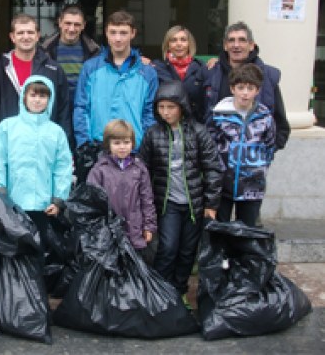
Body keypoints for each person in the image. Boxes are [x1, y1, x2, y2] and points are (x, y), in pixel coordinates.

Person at [141, 80, 222, 307]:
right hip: (167, 203)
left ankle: (180, 291)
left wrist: (211, 204)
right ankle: (159, 291)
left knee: (188, 252)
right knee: (167, 248)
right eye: (161, 107)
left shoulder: (198, 132)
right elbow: (142, 169)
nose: (165, 112)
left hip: (194, 204)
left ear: (182, 106)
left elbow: (213, 168)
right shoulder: (153, 134)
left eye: (171, 107)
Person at [0, 75, 72, 244]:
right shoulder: (7, 127)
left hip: (44, 204)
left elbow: (62, 168)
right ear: (24, 97)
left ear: (50, 99)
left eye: (43, 96)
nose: (37, 100)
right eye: (33, 95)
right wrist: (0, 193)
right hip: (13, 201)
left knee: (39, 247)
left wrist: (58, 200)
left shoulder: (56, 132)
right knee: (13, 249)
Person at [0, 13, 72, 162]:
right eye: (20, 33)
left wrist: (64, 150)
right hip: (9, 147)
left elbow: (63, 111)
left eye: (30, 32)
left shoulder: (53, 69)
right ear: (12, 37)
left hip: (45, 148)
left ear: (37, 36)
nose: (26, 37)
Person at [73, 10, 158, 150]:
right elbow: (81, 108)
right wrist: (85, 144)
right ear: (106, 33)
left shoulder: (147, 72)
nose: (118, 38)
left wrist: (144, 145)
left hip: (134, 149)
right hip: (98, 147)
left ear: (133, 33)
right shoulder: (90, 68)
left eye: (123, 33)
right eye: (113, 32)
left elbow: (150, 113)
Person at [203, 21, 289, 150]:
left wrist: (267, 152)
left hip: (253, 161)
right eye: (231, 40)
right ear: (225, 46)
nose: (236, 45)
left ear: (251, 46)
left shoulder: (268, 76)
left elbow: (280, 120)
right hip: (217, 158)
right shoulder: (211, 73)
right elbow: (201, 113)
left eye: (242, 40)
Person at [209, 64, 276, 227]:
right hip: (223, 181)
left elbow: (269, 146)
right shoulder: (219, 115)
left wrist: (258, 169)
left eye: (250, 88)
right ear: (233, 89)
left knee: (247, 229)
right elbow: (211, 145)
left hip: (252, 184)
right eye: (241, 87)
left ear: (257, 90)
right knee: (220, 228)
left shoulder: (265, 117)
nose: (245, 93)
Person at [86, 119, 157, 261]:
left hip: (134, 228)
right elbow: (91, 203)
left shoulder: (139, 168)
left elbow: (147, 200)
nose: (122, 147)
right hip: (108, 231)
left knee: (133, 268)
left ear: (132, 143)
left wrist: (149, 226)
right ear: (108, 144)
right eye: (117, 143)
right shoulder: (99, 169)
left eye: (126, 142)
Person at [41, 5, 100, 115]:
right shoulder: (45, 50)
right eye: (68, 23)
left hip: (84, 108)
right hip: (54, 107)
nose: (72, 29)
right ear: (60, 23)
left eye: (77, 24)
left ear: (83, 26)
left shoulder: (94, 51)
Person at [152, 25, 206, 123]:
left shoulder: (201, 67)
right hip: (165, 126)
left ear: (189, 44)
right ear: (168, 45)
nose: (179, 44)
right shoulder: (157, 67)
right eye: (174, 40)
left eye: (183, 40)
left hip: (195, 126)